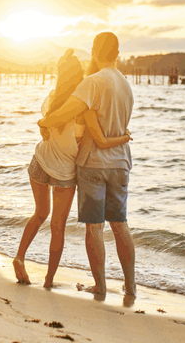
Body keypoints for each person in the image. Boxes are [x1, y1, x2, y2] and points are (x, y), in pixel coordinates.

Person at [13, 49, 131, 288]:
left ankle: (19, 257)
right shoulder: (82, 109)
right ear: (81, 76)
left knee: (39, 214)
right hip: (65, 173)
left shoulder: (52, 97)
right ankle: (48, 281)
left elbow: (47, 123)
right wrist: (123, 137)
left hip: (40, 161)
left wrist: (42, 124)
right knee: (58, 227)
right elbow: (96, 139)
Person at [38, 32, 135, 305]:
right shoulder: (126, 85)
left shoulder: (93, 83)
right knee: (120, 225)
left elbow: (65, 112)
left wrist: (43, 123)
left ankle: (100, 286)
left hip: (94, 163)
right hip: (121, 162)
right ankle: (131, 286)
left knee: (95, 227)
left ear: (94, 51)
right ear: (117, 52)